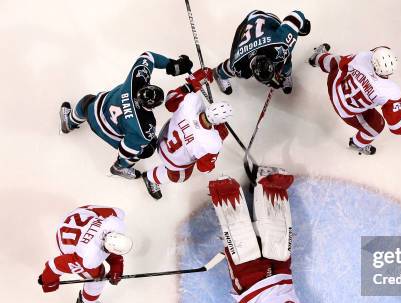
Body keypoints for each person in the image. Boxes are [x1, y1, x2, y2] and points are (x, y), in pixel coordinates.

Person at [209, 168, 385, 303]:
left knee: (243, 245)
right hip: (281, 270)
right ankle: (269, 185)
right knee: (279, 242)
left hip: (249, 280)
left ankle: (225, 196)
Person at [59, 52, 193, 179]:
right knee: (146, 148)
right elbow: (125, 150)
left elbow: (149, 56)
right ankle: (119, 168)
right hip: (108, 133)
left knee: (87, 101)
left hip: (93, 112)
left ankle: (69, 122)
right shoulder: (146, 124)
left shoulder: (136, 80)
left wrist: (172, 64)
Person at [308, 44, 401, 155]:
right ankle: (357, 144)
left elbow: (377, 51)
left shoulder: (362, 57)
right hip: (346, 110)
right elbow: (397, 127)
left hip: (335, 87)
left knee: (337, 61)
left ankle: (317, 58)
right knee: (377, 127)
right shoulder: (391, 92)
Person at [141, 69, 233, 200]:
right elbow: (204, 169)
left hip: (161, 140)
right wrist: (220, 136)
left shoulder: (192, 101)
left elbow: (169, 102)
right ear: (219, 122)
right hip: (175, 162)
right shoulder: (213, 142)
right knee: (180, 177)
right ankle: (150, 178)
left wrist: (191, 83)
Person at [38, 205, 133, 303]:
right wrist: (48, 281)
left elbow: (108, 250)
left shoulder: (111, 221)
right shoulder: (85, 258)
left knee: (117, 212)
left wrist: (116, 266)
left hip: (77, 216)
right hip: (65, 242)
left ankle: (87, 301)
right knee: (98, 276)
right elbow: (55, 265)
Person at [214, 10, 310, 95]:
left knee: (285, 57)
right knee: (233, 65)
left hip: (269, 21)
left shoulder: (281, 43)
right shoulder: (241, 68)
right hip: (251, 26)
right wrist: (268, 81)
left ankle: (286, 75)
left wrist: (300, 27)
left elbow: (296, 15)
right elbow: (296, 15)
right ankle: (219, 73)